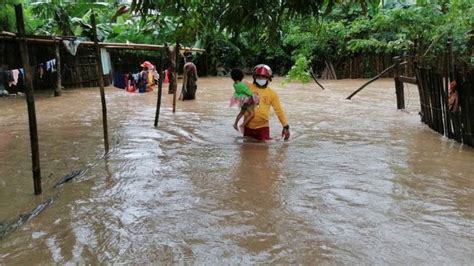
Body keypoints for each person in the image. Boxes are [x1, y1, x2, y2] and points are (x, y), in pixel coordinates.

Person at [243, 64, 290, 141]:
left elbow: (279, 111)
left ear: (269, 78)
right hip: (247, 125)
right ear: (254, 77)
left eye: (264, 77)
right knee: (246, 148)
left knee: (263, 150)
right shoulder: (247, 87)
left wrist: (285, 127)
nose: (261, 78)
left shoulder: (272, 93)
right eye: (258, 76)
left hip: (263, 127)